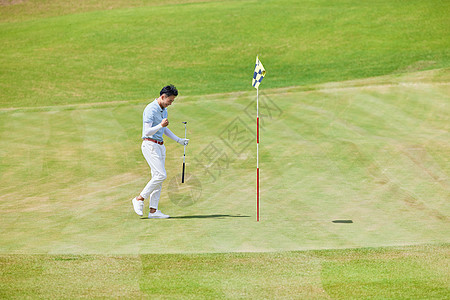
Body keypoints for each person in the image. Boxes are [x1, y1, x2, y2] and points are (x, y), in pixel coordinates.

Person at [132, 85, 189, 218]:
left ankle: (153, 211)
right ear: (163, 97)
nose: (170, 103)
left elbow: (163, 129)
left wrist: (178, 140)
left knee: (157, 178)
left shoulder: (163, 109)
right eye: (170, 100)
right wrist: (160, 125)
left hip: (160, 146)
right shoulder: (151, 109)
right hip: (150, 145)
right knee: (161, 175)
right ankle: (139, 199)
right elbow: (147, 131)